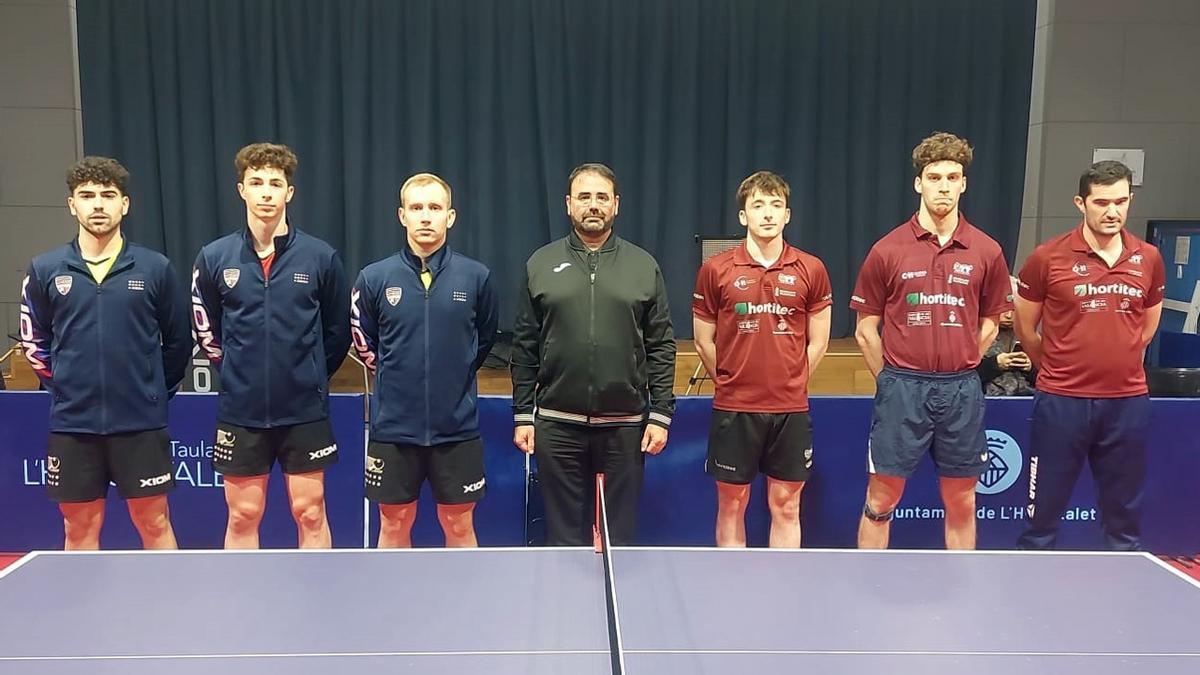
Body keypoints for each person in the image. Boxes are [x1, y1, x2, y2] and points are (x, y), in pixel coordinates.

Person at [851, 131, 1012, 550]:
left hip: (961, 389)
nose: (943, 186)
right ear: (918, 183)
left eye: (952, 177)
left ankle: (961, 603)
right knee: (881, 498)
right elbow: (866, 329)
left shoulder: (987, 250)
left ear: (964, 183)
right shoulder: (887, 249)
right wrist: (889, 380)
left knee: (961, 499)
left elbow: (992, 323)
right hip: (902, 387)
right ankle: (867, 596)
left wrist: (964, 363)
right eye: (934, 176)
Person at [20, 156, 190, 549]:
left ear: (124, 205)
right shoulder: (46, 269)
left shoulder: (154, 267)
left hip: (140, 423)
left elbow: (178, 341)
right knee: (79, 529)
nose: (98, 204)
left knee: (154, 522)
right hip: (74, 425)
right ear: (72, 204)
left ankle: (169, 610)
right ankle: (82, 611)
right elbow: (34, 341)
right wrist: (64, 387)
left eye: (108, 196)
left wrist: (149, 390)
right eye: (88, 195)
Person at [192, 142, 351, 549]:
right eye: (256, 182)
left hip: (303, 410)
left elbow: (337, 331)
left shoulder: (320, 257)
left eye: (275, 184)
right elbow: (205, 326)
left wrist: (309, 374)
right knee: (243, 514)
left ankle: (315, 605)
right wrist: (235, 372)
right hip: (241, 411)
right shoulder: (214, 257)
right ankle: (241, 610)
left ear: (289, 193)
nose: (266, 192)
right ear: (241, 189)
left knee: (310, 512)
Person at [510, 162, 676, 546]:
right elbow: (525, 343)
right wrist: (522, 413)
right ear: (569, 205)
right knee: (563, 536)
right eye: (584, 197)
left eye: (602, 197)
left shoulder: (643, 265)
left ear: (616, 205)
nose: (593, 205)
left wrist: (661, 413)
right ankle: (563, 606)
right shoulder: (540, 263)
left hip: (625, 424)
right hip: (557, 422)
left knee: (618, 539)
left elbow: (661, 343)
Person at [1014, 161, 1166, 551]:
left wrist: (1121, 357)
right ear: (1081, 203)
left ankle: (1120, 599)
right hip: (1061, 400)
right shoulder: (1048, 257)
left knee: (1124, 520)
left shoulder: (1148, 258)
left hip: (1126, 403)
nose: (1111, 211)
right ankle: (1027, 592)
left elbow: (1145, 330)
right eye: (1101, 202)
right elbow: (1025, 328)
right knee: (1042, 517)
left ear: (1130, 200)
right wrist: (1055, 367)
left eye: (1120, 201)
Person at [351, 173, 499, 547]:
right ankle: (392, 605)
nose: (426, 216)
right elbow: (363, 340)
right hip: (393, 431)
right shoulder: (374, 278)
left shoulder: (477, 277)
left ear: (450, 216)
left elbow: (481, 342)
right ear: (402, 216)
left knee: (459, 525)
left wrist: (455, 375)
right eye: (417, 208)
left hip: (457, 430)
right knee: (394, 523)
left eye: (435, 208)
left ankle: (465, 607)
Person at [692, 171, 832, 547]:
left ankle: (780, 592)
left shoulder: (811, 268)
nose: (767, 214)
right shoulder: (715, 270)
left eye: (775, 205)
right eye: (758, 205)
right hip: (734, 408)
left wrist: (794, 381)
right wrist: (728, 380)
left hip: (790, 409)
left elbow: (819, 341)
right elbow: (704, 340)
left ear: (787, 215)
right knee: (732, 503)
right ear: (743, 216)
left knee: (786, 506)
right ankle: (732, 587)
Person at [977, 277, 1037, 396]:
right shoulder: (974, 334)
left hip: (1024, 400)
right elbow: (960, 379)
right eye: (1003, 309)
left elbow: (1048, 379)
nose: (1009, 315)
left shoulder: (1027, 335)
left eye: (1013, 309)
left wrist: (1030, 368)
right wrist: (995, 364)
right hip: (986, 401)